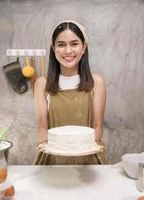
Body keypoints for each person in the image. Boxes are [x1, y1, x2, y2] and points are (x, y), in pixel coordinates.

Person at [33, 20, 106, 165]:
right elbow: (42, 127)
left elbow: (97, 126)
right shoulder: (42, 84)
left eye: (74, 44)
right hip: (53, 160)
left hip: (87, 160)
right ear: (53, 49)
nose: (68, 51)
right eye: (61, 44)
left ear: (84, 47)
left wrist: (83, 155)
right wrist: (53, 153)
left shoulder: (96, 82)